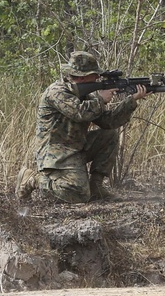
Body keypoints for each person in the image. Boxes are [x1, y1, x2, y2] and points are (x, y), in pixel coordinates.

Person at [16, 50, 149, 203]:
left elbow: (108, 122)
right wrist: (101, 99)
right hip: (55, 153)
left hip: (76, 147)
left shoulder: (86, 95)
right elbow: (79, 113)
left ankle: (96, 187)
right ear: (82, 77)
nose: (98, 77)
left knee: (110, 135)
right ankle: (32, 179)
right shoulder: (56, 92)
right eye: (95, 75)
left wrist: (132, 100)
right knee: (79, 194)